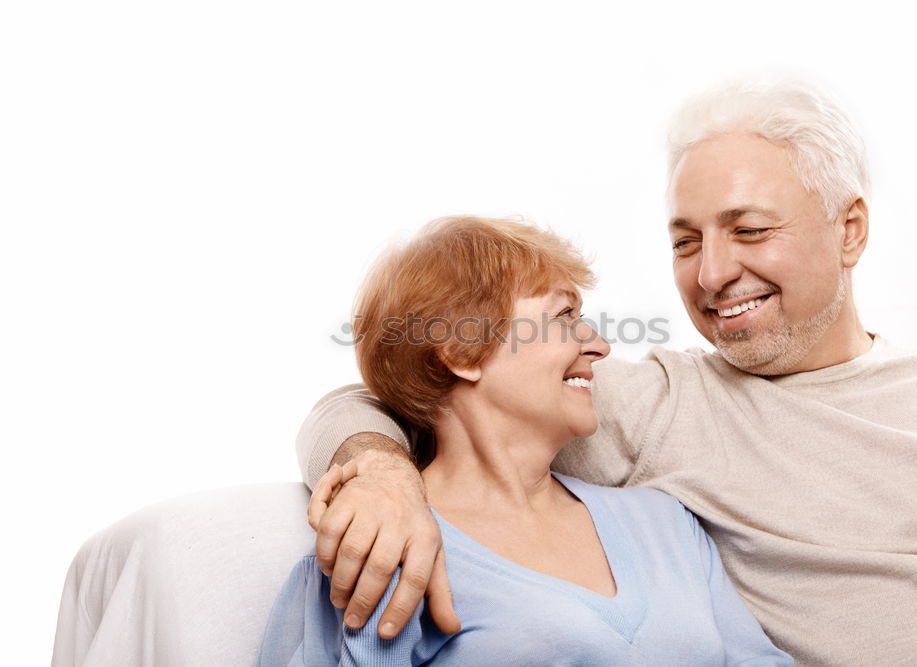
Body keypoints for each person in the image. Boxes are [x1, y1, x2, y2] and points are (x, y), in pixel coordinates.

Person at [298, 82, 917, 666]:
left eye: (749, 230)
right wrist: (379, 469)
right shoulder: (659, 407)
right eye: (686, 241)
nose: (714, 272)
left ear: (849, 230)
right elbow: (403, 383)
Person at [258, 216, 792, 665]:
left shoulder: (665, 523)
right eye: (564, 316)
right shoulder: (382, 549)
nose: (600, 346)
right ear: (463, 352)